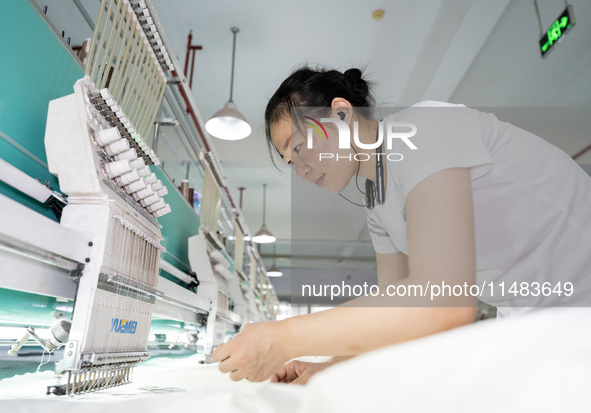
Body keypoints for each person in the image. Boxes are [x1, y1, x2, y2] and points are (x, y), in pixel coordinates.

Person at [212, 66, 591, 384]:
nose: (302, 169)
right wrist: (329, 369)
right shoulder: (377, 204)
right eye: (291, 162)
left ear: (341, 113)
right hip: (540, 320)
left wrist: (282, 338)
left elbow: (443, 302)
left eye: (298, 147)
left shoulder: (423, 129)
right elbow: (398, 317)